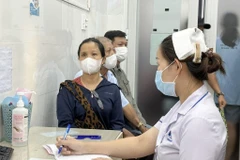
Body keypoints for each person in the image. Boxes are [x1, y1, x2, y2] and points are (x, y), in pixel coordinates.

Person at [56, 28, 227, 160]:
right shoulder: (184, 106)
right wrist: (81, 146)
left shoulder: (200, 121)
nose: (158, 70)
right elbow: (141, 142)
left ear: (176, 66)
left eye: (159, 63)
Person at [74, 37, 148, 135]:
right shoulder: (83, 77)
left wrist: (141, 127)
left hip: (115, 126)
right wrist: (124, 133)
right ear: (101, 57)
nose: (113, 54)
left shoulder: (110, 75)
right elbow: (95, 115)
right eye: (109, 51)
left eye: (113, 50)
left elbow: (124, 104)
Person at [57, 38, 124, 130]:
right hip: (75, 142)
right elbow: (65, 124)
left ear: (103, 59)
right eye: (84, 55)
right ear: (79, 59)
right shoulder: (68, 90)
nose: (88, 59)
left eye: (94, 54)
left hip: (107, 143)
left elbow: (117, 125)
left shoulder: (112, 90)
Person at [104, 30, 147, 128]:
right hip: (125, 125)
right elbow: (122, 106)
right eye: (120, 44)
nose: (124, 48)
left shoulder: (120, 72)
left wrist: (142, 123)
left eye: (125, 45)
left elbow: (131, 101)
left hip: (137, 123)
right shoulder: (107, 73)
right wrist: (141, 127)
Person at [215, 12, 240, 160]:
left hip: (219, 93)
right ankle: (228, 158)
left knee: (218, 128)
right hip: (236, 95)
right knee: (231, 127)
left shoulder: (216, 42)